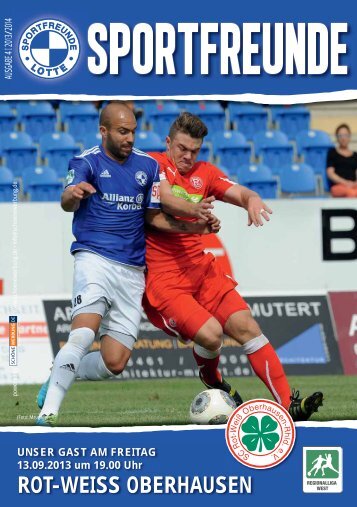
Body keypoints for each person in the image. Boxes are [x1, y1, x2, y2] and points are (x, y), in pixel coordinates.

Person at [36, 103, 219, 426]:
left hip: (132, 271)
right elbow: (66, 200)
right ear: (103, 131)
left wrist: (195, 226)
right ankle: (47, 414)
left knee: (114, 363)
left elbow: (154, 217)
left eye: (133, 131)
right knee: (81, 336)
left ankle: (61, 372)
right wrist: (73, 195)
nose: (129, 138)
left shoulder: (147, 167)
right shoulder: (86, 161)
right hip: (93, 260)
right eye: (122, 131)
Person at [142, 112, 324, 422]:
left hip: (202, 271)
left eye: (195, 151)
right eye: (182, 149)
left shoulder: (205, 172)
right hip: (165, 282)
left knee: (248, 328)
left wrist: (251, 199)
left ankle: (288, 404)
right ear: (168, 142)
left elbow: (238, 192)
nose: (187, 157)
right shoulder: (152, 164)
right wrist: (196, 212)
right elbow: (166, 201)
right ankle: (211, 378)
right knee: (212, 335)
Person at [327, 123, 357, 197]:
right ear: (337, 137)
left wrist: (354, 184)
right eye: (340, 135)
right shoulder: (332, 153)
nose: (343, 138)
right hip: (339, 186)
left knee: (353, 192)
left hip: (353, 186)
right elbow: (330, 173)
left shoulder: (355, 155)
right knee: (351, 193)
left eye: (345, 135)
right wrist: (346, 183)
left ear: (349, 136)